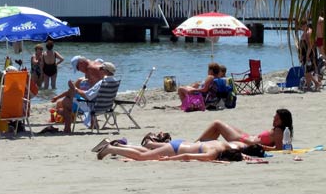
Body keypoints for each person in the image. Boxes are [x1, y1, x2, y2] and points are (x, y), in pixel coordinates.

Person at [52, 61, 117, 134]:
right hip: (107, 107)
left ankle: (67, 129)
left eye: (101, 69)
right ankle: (91, 123)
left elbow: (88, 96)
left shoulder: (102, 82)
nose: (99, 70)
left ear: (106, 71)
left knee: (66, 101)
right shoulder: (115, 81)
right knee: (68, 99)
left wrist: (75, 88)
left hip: (93, 106)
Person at [94, 137, 265, 162]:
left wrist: (252, 158)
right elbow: (187, 156)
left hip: (180, 143)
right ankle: (109, 148)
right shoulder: (213, 154)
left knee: (145, 152)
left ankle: (119, 146)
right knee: (142, 157)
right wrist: (170, 160)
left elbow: (240, 152)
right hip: (176, 150)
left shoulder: (225, 146)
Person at [195, 109, 293, 151]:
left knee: (217, 123)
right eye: (274, 118)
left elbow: (279, 149)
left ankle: (196, 144)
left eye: (277, 119)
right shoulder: (280, 130)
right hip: (247, 137)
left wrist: (263, 147)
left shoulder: (279, 131)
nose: (274, 121)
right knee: (218, 127)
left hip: (243, 141)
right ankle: (200, 145)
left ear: (283, 121)